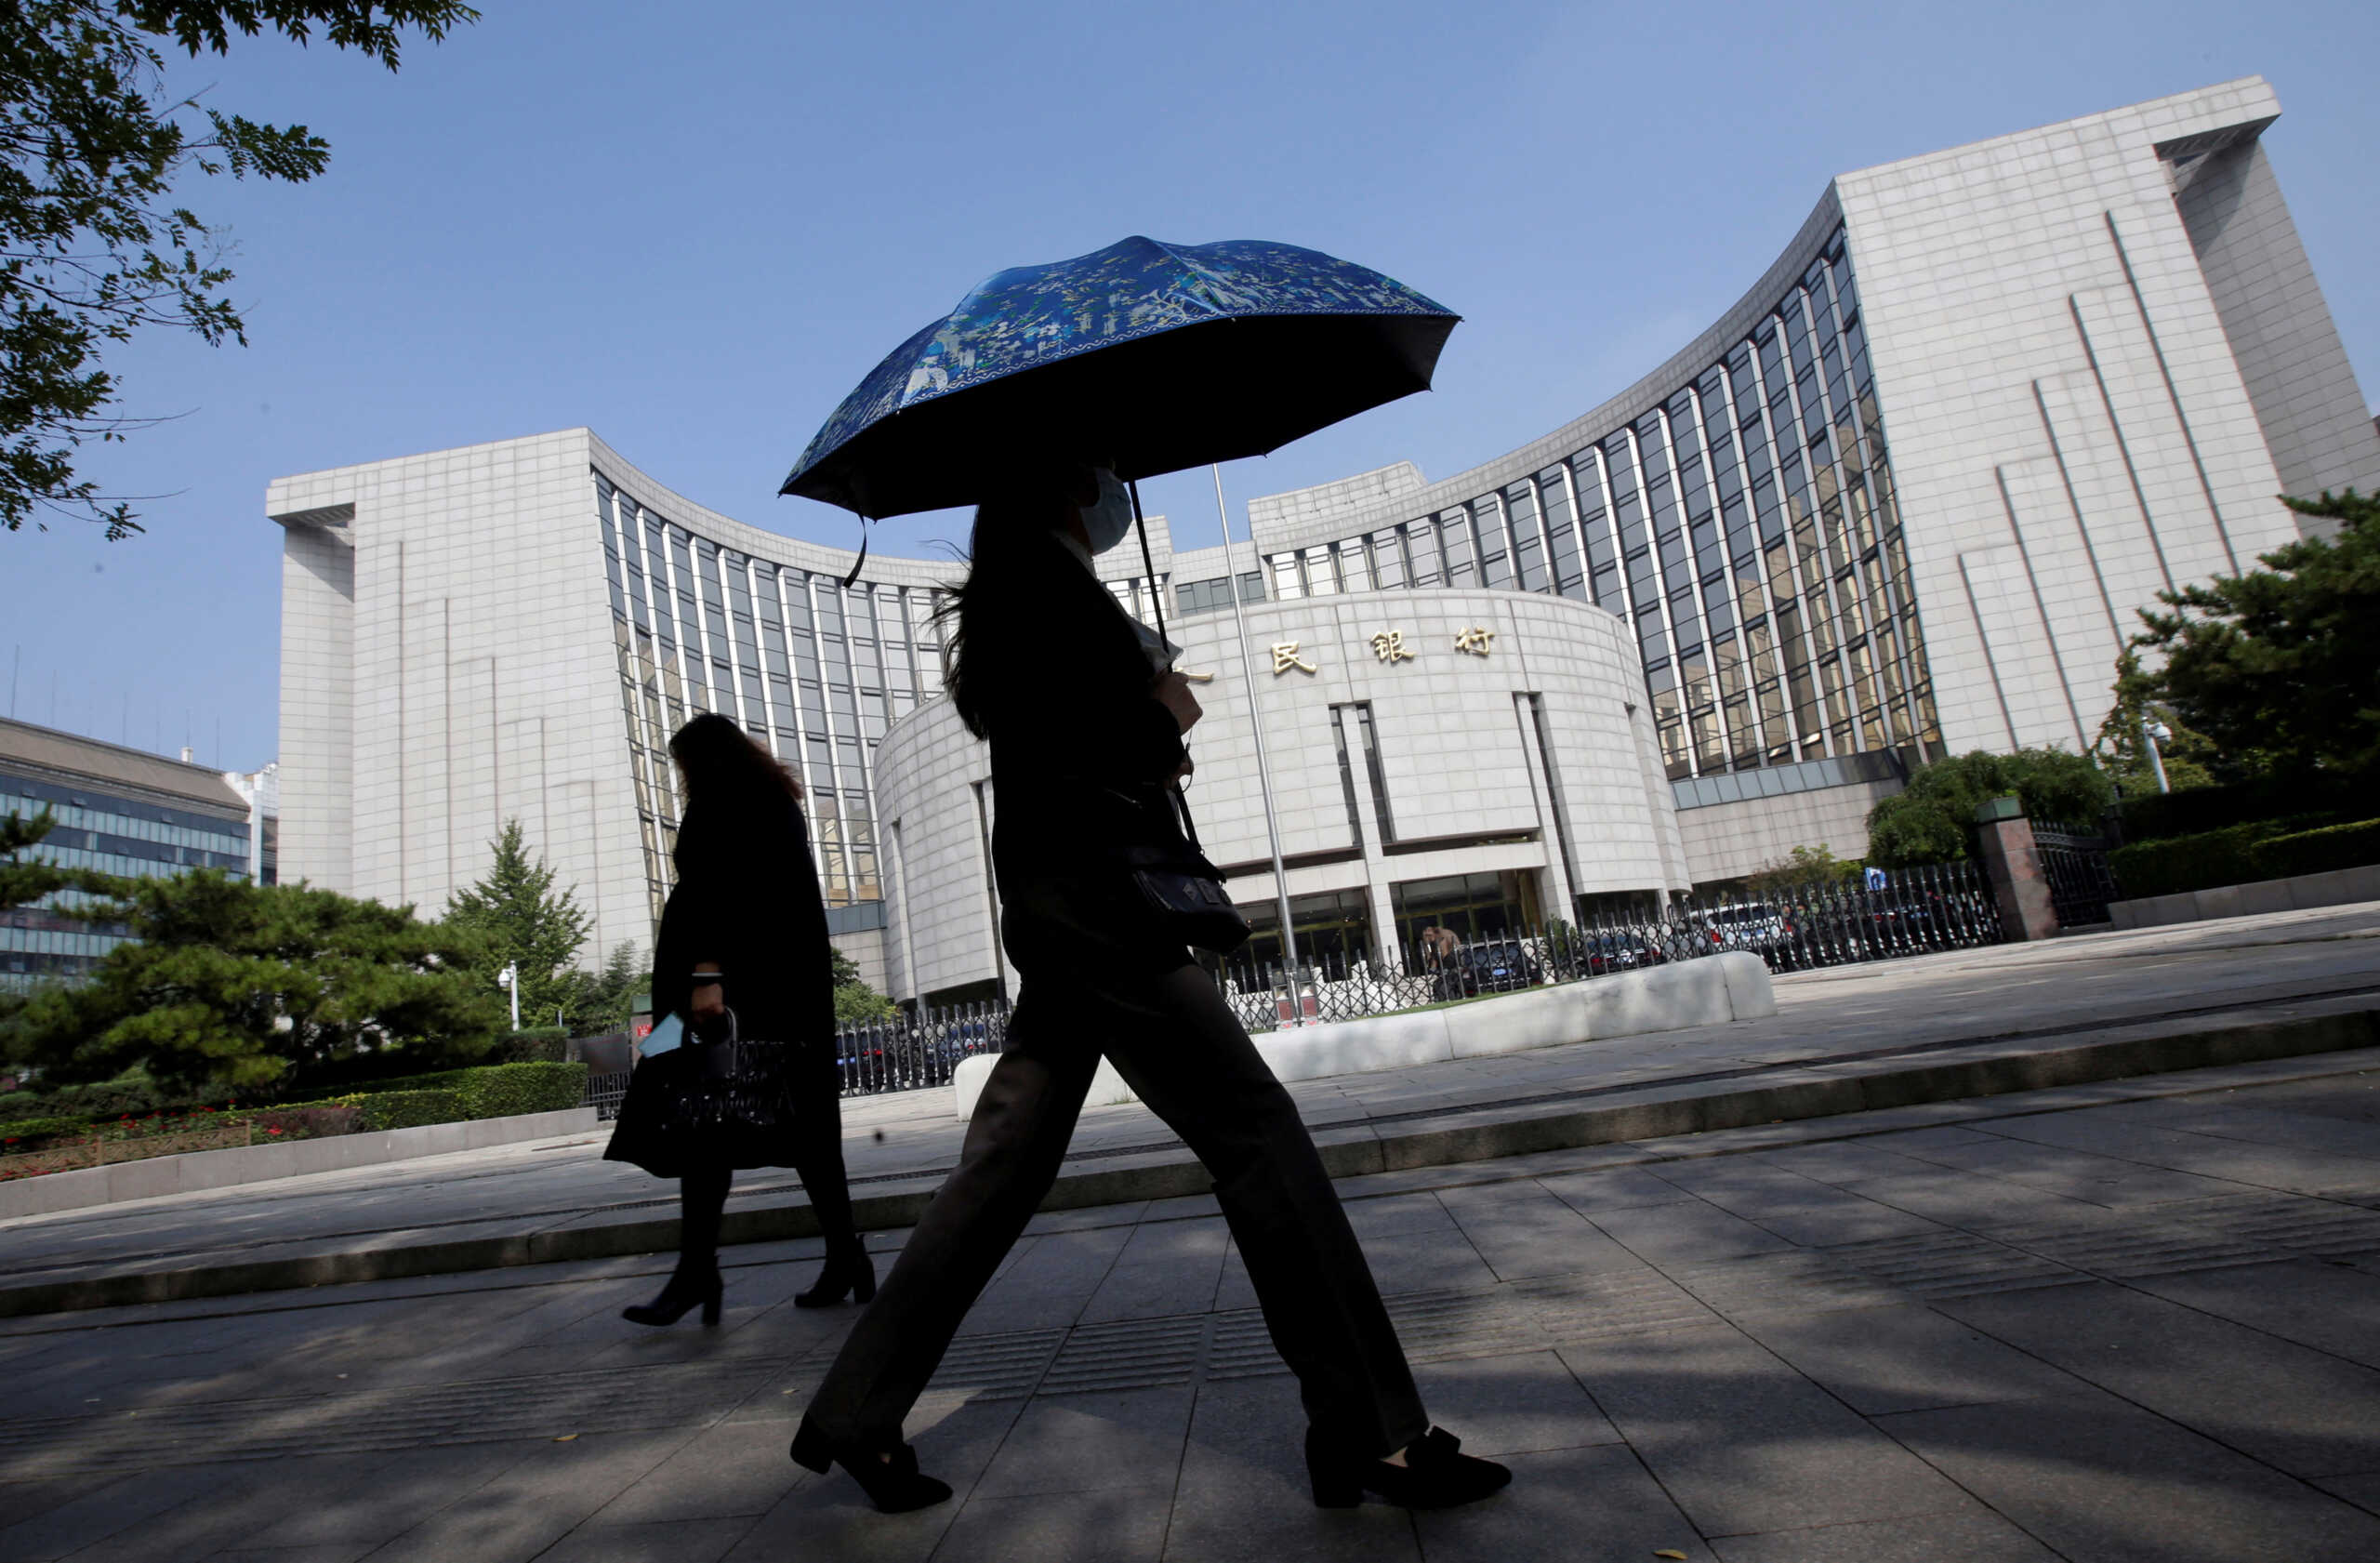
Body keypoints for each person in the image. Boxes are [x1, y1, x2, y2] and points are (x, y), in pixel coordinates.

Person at [789, 465, 1511, 1514]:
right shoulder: (1049, 590)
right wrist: (1165, 712)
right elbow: (1092, 747)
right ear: (1069, 489)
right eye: (1102, 469)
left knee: (999, 1170)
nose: (1114, 488)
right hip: (1102, 910)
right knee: (1258, 1134)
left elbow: (1045, 741)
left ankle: (856, 1412)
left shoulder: (1019, 588)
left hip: (1063, 906)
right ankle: (1369, 1430)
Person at [603, 712, 871, 1325]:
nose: (682, 777)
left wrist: (704, 974)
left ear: (705, 759)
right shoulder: (774, 799)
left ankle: (698, 1272)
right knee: (799, 1124)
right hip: (777, 996)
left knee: (698, 1119)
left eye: (683, 765)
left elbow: (713, 893)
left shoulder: (725, 801)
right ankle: (841, 1254)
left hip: (716, 997)